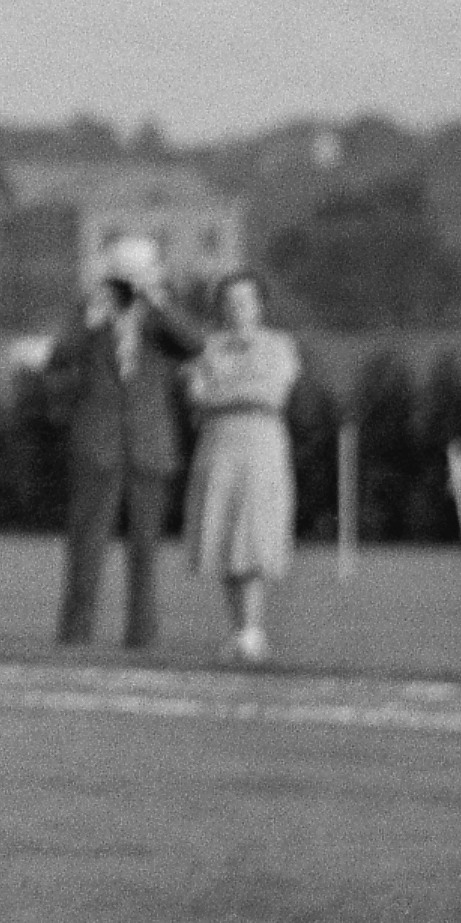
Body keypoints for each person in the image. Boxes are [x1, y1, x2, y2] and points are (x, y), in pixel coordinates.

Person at [48, 232, 198, 652]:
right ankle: (75, 634)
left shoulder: (159, 318)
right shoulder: (91, 314)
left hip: (149, 447)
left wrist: (157, 299)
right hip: (97, 446)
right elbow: (58, 357)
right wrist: (94, 313)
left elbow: (195, 344)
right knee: (86, 547)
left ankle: (142, 636)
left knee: (145, 551)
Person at [184, 270, 302, 665]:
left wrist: (223, 390)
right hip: (218, 449)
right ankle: (241, 632)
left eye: (246, 300)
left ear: (260, 305)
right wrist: (229, 389)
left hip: (262, 448)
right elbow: (196, 395)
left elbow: (274, 392)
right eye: (230, 302)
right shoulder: (208, 348)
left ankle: (253, 630)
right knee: (223, 538)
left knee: (253, 537)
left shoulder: (279, 345)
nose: (238, 309)